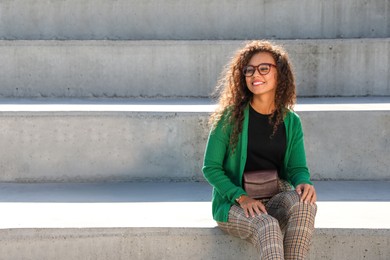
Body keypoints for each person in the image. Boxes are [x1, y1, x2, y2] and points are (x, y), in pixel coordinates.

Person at [202, 40, 317, 260]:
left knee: (305, 204)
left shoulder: (291, 121)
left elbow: (297, 168)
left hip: (274, 197)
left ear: (279, 74)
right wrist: (241, 197)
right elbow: (211, 168)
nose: (256, 74)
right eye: (249, 70)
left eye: (264, 68)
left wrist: (304, 182)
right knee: (268, 226)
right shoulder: (229, 118)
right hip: (235, 204)